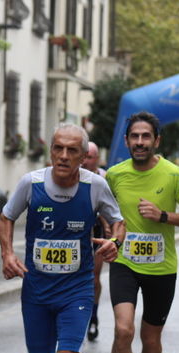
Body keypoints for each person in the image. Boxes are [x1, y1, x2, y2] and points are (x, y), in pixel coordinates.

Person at [0, 124, 124, 353]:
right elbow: (7, 216)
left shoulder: (95, 186)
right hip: (37, 292)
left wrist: (114, 243)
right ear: (51, 151)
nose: (64, 155)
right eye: (58, 148)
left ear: (83, 157)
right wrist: (7, 254)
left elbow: (118, 222)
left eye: (72, 150)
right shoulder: (31, 183)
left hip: (76, 289)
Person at [105, 111, 179, 353]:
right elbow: (103, 211)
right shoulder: (114, 175)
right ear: (126, 141)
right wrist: (109, 233)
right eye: (134, 136)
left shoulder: (174, 175)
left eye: (145, 136)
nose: (140, 142)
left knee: (151, 339)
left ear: (156, 141)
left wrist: (163, 216)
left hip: (161, 269)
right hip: (124, 264)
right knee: (123, 331)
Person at [81, 141, 108, 341]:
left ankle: (93, 316)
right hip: (76, 231)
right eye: (84, 156)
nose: (85, 161)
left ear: (96, 159)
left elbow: (112, 207)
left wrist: (106, 222)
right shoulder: (73, 175)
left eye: (89, 157)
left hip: (97, 231)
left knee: (93, 277)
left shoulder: (105, 178)